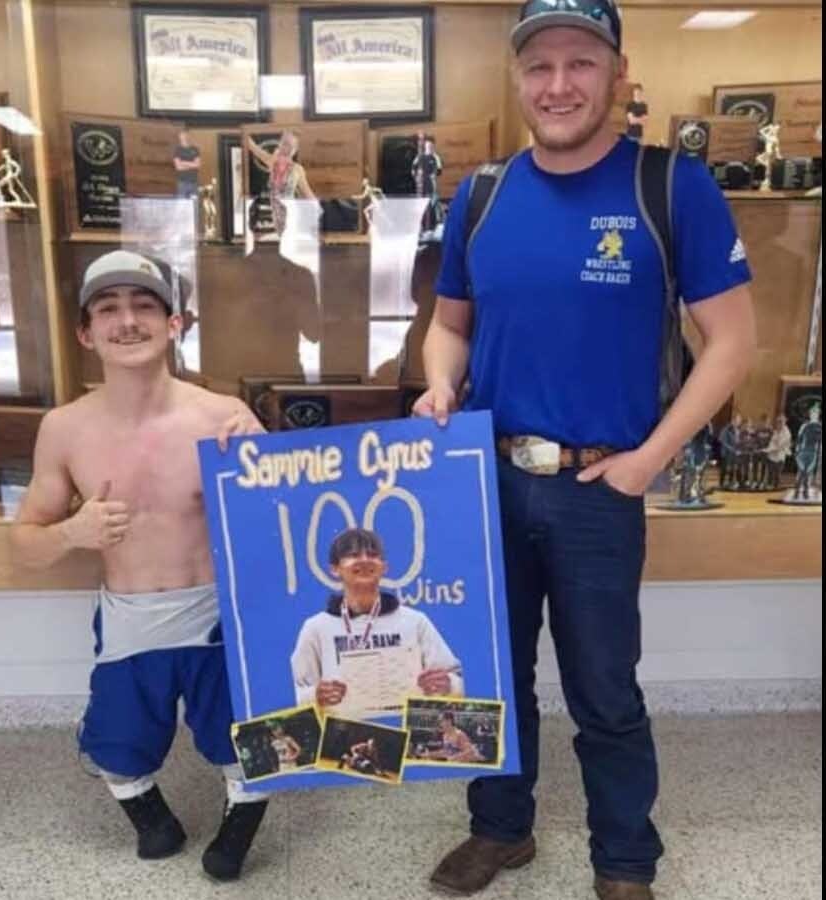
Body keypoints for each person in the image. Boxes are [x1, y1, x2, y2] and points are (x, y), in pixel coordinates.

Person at [411, 3, 756, 898]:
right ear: (518, 78)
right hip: (484, 479)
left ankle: (625, 860)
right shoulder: (482, 195)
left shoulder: (670, 186)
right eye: (539, 67)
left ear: (616, 74)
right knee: (487, 676)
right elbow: (447, 325)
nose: (558, 85)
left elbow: (732, 343)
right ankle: (500, 830)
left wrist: (650, 459)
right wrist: (442, 381)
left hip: (600, 486)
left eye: (580, 64)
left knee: (605, 690)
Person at [9, 249, 272, 883]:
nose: (127, 321)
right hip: (132, 619)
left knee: (249, 740)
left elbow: (285, 530)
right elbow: (23, 545)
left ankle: (240, 824)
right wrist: (74, 530)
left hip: (217, 613)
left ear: (176, 322)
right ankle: (150, 815)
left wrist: (265, 459)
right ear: (86, 332)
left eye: (144, 306)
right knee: (117, 745)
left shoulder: (223, 416)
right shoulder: (64, 428)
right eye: (108, 309)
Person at [289, 528, 464, 714]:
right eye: (353, 555)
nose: (364, 560)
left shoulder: (414, 622)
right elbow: (297, 694)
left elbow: (456, 680)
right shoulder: (316, 628)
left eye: (373, 555)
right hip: (343, 736)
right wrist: (314, 696)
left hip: (405, 733)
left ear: (384, 567)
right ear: (334, 569)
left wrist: (448, 685)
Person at [242, 130, 317, 234]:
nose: (287, 149)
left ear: (295, 150)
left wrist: (317, 220)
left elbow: (309, 195)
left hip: (293, 220)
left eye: (291, 146)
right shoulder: (272, 162)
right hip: (277, 221)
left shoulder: (297, 170)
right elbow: (253, 147)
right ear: (280, 143)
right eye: (285, 143)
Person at [173, 128, 202, 199]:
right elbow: (178, 167)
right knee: (182, 204)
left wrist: (183, 162)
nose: (184, 137)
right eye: (182, 135)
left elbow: (198, 165)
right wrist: (192, 164)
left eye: (185, 135)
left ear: (188, 136)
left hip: (194, 182)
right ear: (179, 137)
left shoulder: (195, 149)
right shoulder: (177, 150)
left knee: (194, 204)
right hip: (182, 182)